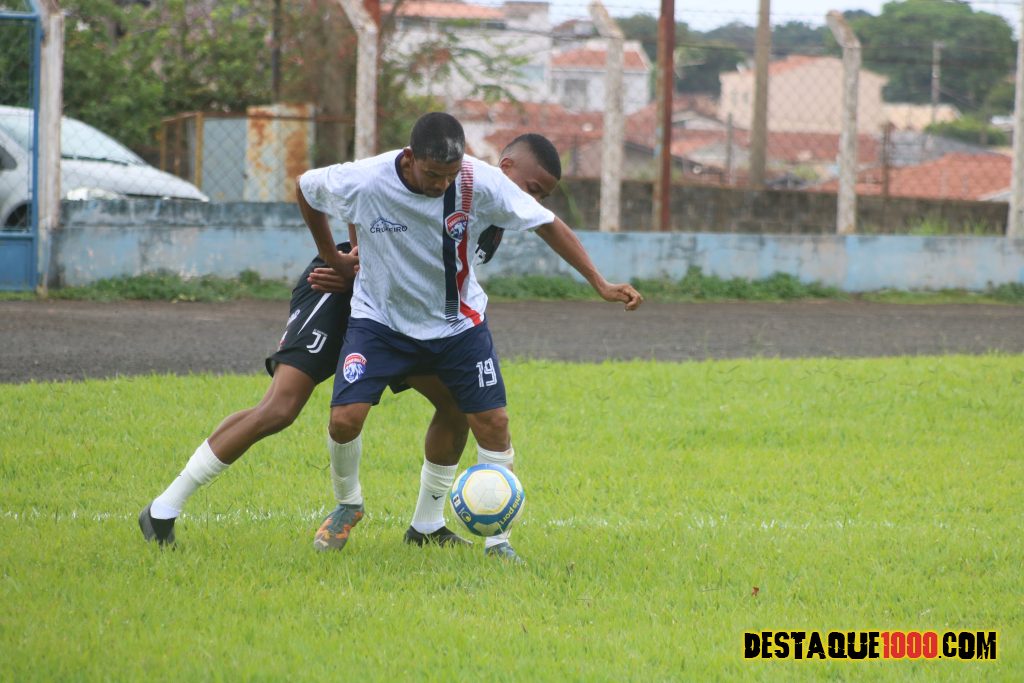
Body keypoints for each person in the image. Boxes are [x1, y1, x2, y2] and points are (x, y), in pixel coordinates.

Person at [137, 133, 566, 550]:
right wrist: (344, 262)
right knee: (280, 408)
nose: (536, 201)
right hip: (342, 285)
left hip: (401, 316)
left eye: (543, 196)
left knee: (456, 406)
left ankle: (427, 526)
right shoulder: (445, 174)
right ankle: (164, 508)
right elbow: (363, 195)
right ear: (505, 166)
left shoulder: (488, 206)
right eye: (533, 189)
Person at [298, 112, 642, 563]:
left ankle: (496, 542)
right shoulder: (367, 177)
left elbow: (547, 223)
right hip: (380, 321)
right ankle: (348, 504)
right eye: (433, 175)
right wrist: (334, 258)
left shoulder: (479, 181)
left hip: (457, 325)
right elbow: (307, 189)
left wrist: (599, 283)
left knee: (493, 423)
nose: (443, 184)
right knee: (344, 420)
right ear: (410, 159)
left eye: (450, 175)